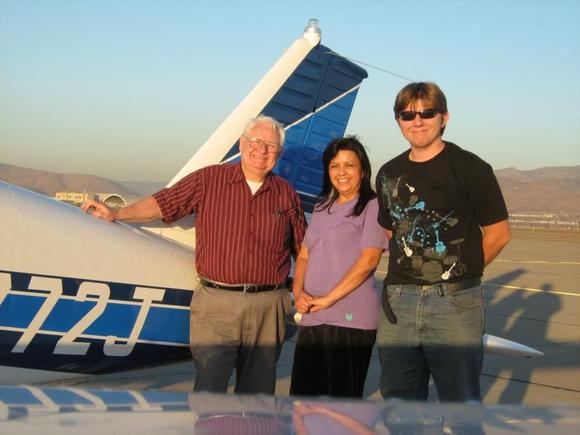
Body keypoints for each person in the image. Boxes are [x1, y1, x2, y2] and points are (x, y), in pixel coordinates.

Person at [82, 115, 306, 394]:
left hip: (268, 306)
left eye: (270, 145)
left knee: (257, 394)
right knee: (210, 387)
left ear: (279, 153)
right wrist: (118, 213)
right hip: (216, 305)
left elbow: (304, 248)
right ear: (242, 143)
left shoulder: (286, 194)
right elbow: (165, 203)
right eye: (256, 141)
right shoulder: (210, 179)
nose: (261, 150)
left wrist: (309, 290)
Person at [375, 82, 511, 402]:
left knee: (460, 402)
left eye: (427, 112)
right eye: (407, 114)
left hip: (454, 304)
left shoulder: (471, 168)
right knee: (399, 403)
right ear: (398, 121)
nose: (417, 121)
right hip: (399, 303)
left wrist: (458, 272)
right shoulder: (388, 173)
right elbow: (392, 232)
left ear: (444, 117)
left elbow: (498, 233)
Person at [289, 137, 387, 398]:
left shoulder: (372, 205)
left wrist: (327, 299)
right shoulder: (323, 206)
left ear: (362, 170)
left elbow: (369, 260)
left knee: (341, 405)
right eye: (335, 166)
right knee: (303, 400)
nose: (341, 172)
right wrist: (298, 293)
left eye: (349, 165)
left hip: (349, 319)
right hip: (313, 314)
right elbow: (305, 255)